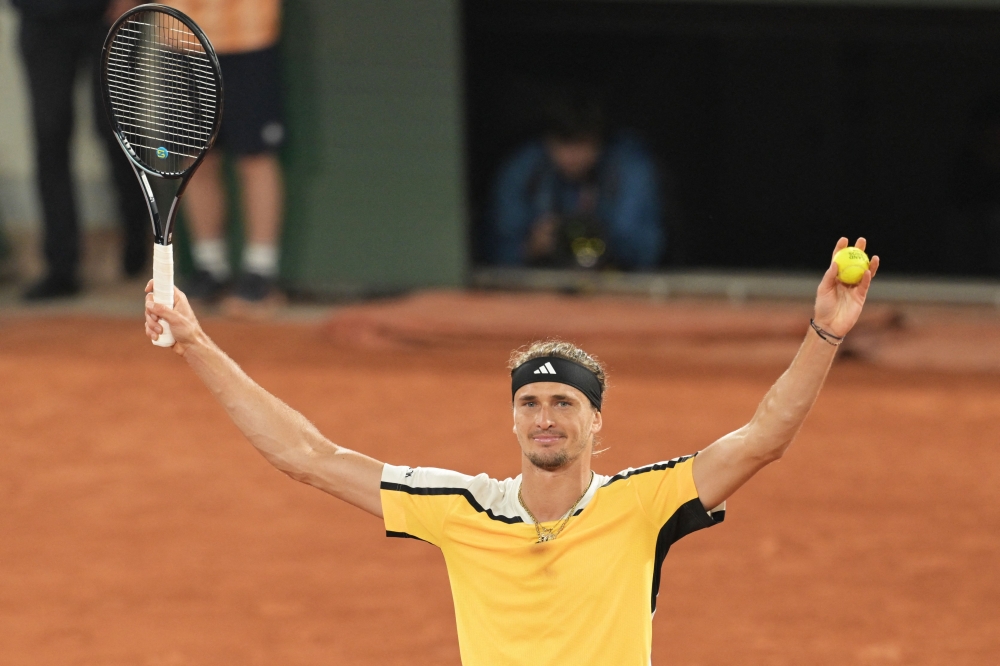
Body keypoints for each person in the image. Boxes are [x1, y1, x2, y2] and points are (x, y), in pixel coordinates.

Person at [143, 238, 879, 664]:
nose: (545, 417)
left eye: (564, 404)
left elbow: (764, 438)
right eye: (530, 403)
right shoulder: (458, 508)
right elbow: (307, 454)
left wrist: (826, 334)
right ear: (513, 421)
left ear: (596, 422)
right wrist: (198, 343)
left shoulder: (646, 504)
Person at [13, 0, 150, 300]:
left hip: (108, 13)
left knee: (115, 128)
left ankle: (138, 238)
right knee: (50, 136)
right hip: (41, 18)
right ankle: (61, 266)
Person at [163, 0, 285, 312]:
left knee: (255, 157)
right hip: (181, 35)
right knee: (195, 160)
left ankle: (260, 270)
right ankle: (210, 267)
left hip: (249, 35)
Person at [488, 92, 665, 270]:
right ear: (547, 140)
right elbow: (494, 250)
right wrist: (529, 248)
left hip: (614, 280)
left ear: (601, 140)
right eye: (563, 143)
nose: (572, 157)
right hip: (540, 283)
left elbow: (647, 251)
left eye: (583, 143)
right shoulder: (523, 169)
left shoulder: (629, 166)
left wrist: (603, 245)